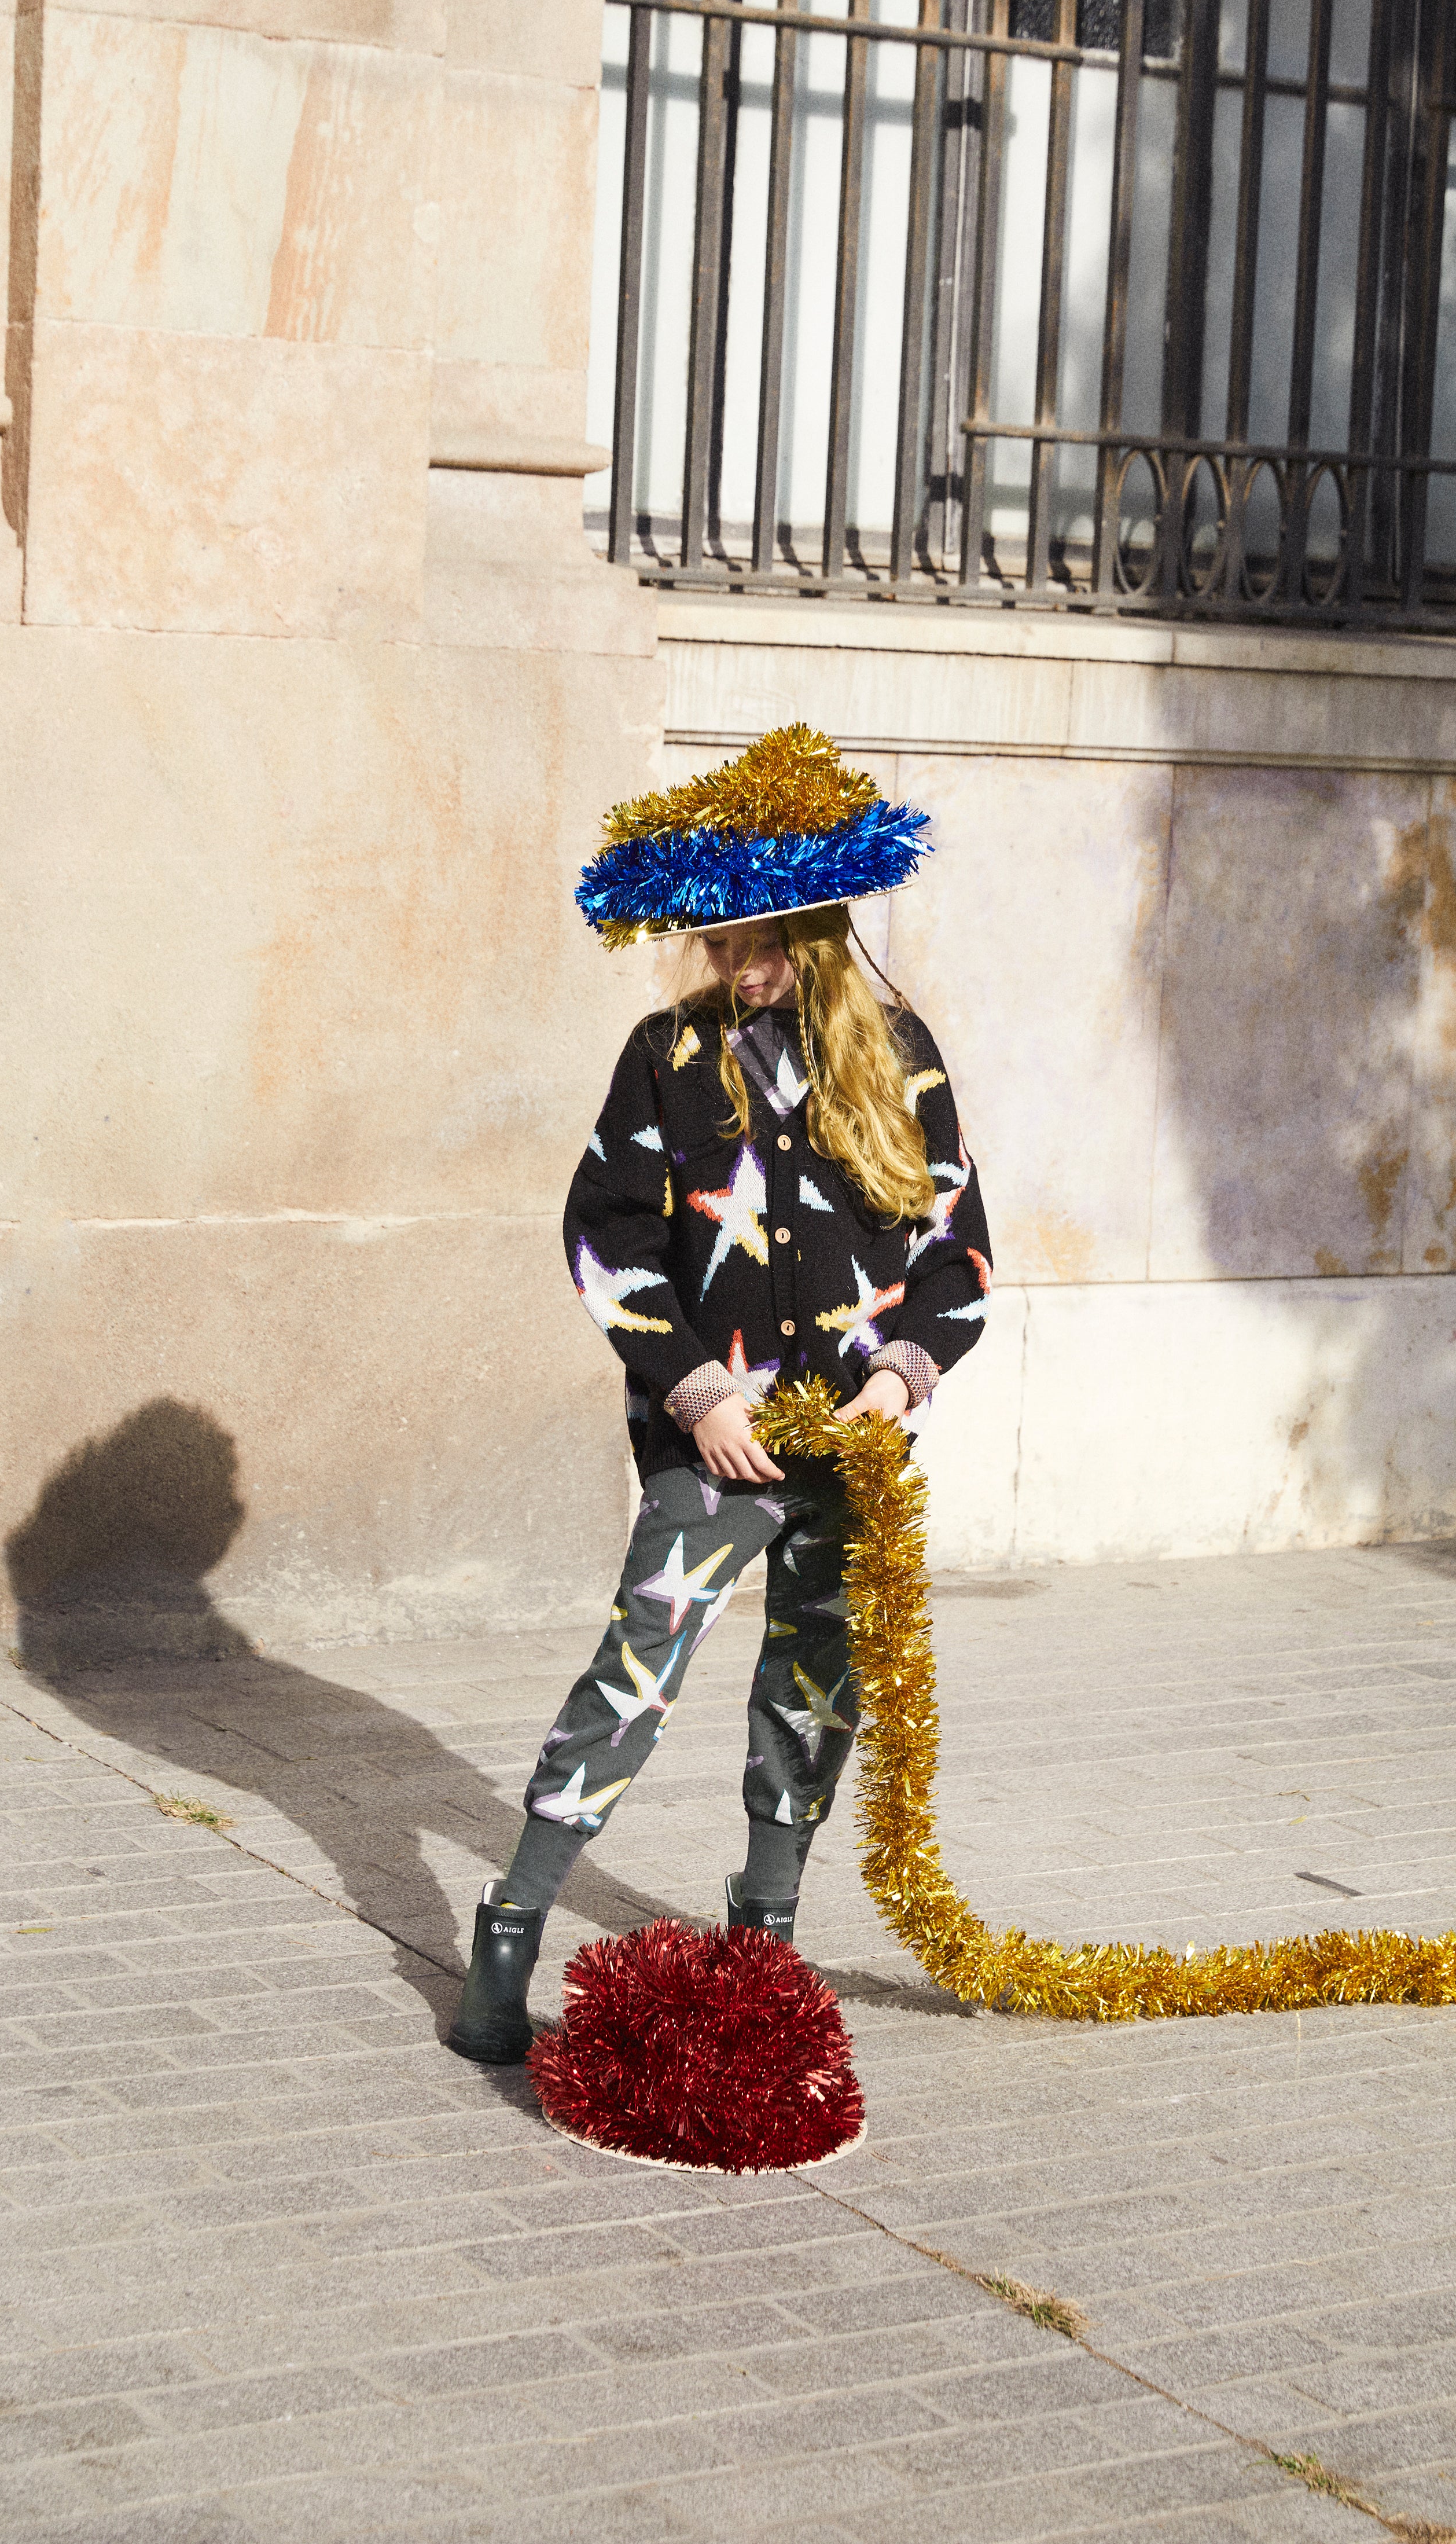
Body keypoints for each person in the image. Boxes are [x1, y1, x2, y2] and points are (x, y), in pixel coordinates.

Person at [448, 724, 992, 2064]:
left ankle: (767, 1936)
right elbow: (607, 1237)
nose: (738, 969)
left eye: (764, 945)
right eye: (721, 945)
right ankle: (512, 1922)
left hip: (847, 1446)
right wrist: (697, 1392)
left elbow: (961, 1254)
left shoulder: (901, 1055)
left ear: (818, 932)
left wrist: (902, 1372)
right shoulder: (666, 1058)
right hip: (718, 1444)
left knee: (818, 1682)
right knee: (638, 1669)